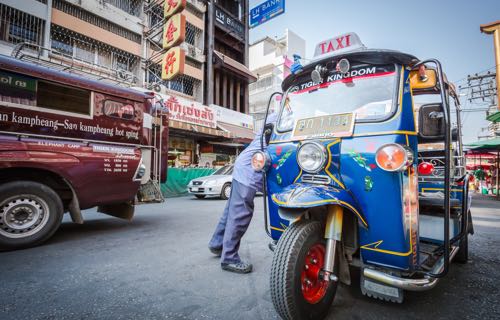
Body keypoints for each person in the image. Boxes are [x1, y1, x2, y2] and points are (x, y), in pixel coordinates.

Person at [208, 113, 277, 273]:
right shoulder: (282, 116)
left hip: (245, 166)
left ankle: (217, 244)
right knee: (240, 213)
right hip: (249, 169)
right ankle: (229, 258)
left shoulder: (277, 113)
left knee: (230, 211)